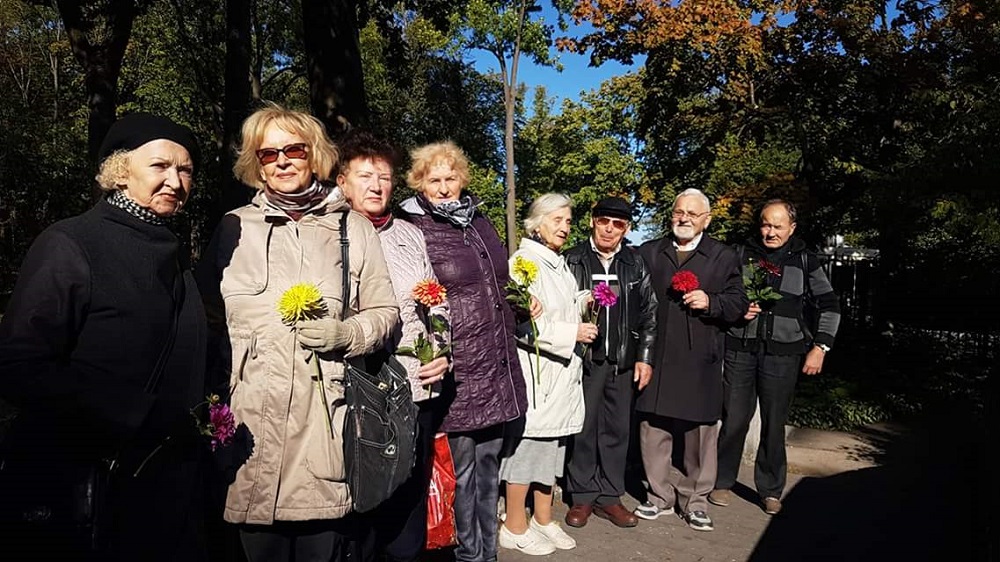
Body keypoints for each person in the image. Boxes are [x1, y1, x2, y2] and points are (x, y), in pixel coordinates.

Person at [0, 113, 210, 561]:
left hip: (164, 489)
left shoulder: (176, 255)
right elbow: (19, 365)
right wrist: (132, 412)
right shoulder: (71, 243)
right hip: (83, 487)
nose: (175, 180)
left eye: (186, 169)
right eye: (159, 166)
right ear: (120, 171)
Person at [196, 106, 398, 562]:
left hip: (324, 427)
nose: (282, 161)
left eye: (294, 149)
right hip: (249, 431)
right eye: (269, 153)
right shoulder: (232, 227)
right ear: (256, 162)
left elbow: (386, 311)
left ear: (315, 155)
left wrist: (348, 333)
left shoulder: (353, 227)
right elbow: (204, 320)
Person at [398, 141, 529, 562]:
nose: (443, 187)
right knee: (459, 470)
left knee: (490, 466)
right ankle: (466, 553)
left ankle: (487, 553)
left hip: (494, 360)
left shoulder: (480, 221)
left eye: (450, 177)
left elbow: (499, 279)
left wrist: (523, 302)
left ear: (462, 179)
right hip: (457, 364)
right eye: (433, 179)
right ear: (419, 183)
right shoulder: (414, 226)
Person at [335, 129, 450, 562]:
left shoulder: (408, 234)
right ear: (342, 181)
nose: (376, 185)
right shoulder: (329, 232)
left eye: (384, 176)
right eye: (364, 175)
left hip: (413, 385)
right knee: (359, 495)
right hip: (354, 388)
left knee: (407, 490)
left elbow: (434, 298)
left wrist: (442, 349)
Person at [710, 199, 841, 515]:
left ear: (792, 227)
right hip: (740, 348)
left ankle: (770, 490)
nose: (769, 232)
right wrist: (735, 311)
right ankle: (722, 482)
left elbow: (830, 305)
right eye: (765, 224)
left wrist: (820, 347)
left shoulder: (806, 260)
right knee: (734, 419)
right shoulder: (739, 255)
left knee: (773, 422)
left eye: (777, 226)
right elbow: (720, 296)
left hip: (784, 354)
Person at [633, 188, 748, 532]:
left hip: (701, 357)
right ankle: (658, 496)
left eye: (692, 214)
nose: (683, 218)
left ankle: (695, 501)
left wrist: (711, 302)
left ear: (707, 220)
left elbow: (738, 303)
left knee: (701, 436)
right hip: (659, 355)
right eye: (678, 212)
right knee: (653, 430)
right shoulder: (651, 251)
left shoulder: (723, 256)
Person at [497, 193, 593, 555]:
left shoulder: (557, 263)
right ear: (537, 224)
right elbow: (524, 326)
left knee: (552, 453)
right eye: (558, 220)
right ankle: (514, 525)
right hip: (539, 374)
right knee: (528, 451)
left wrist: (585, 300)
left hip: (560, 376)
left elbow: (557, 307)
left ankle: (542, 517)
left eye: (568, 221)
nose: (565, 227)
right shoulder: (524, 262)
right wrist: (574, 333)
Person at [563, 196, 657, 530]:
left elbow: (649, 313)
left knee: (617, 429)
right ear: (593, 221)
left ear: (626, 228)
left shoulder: (635, 263)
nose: (609, 229)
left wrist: (645, 358)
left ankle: (610, 496)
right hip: (585, 359)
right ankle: (583, 495)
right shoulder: (572, 259)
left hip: (622, 358)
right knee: (584, 427)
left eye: (618, 224)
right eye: (604, 221)